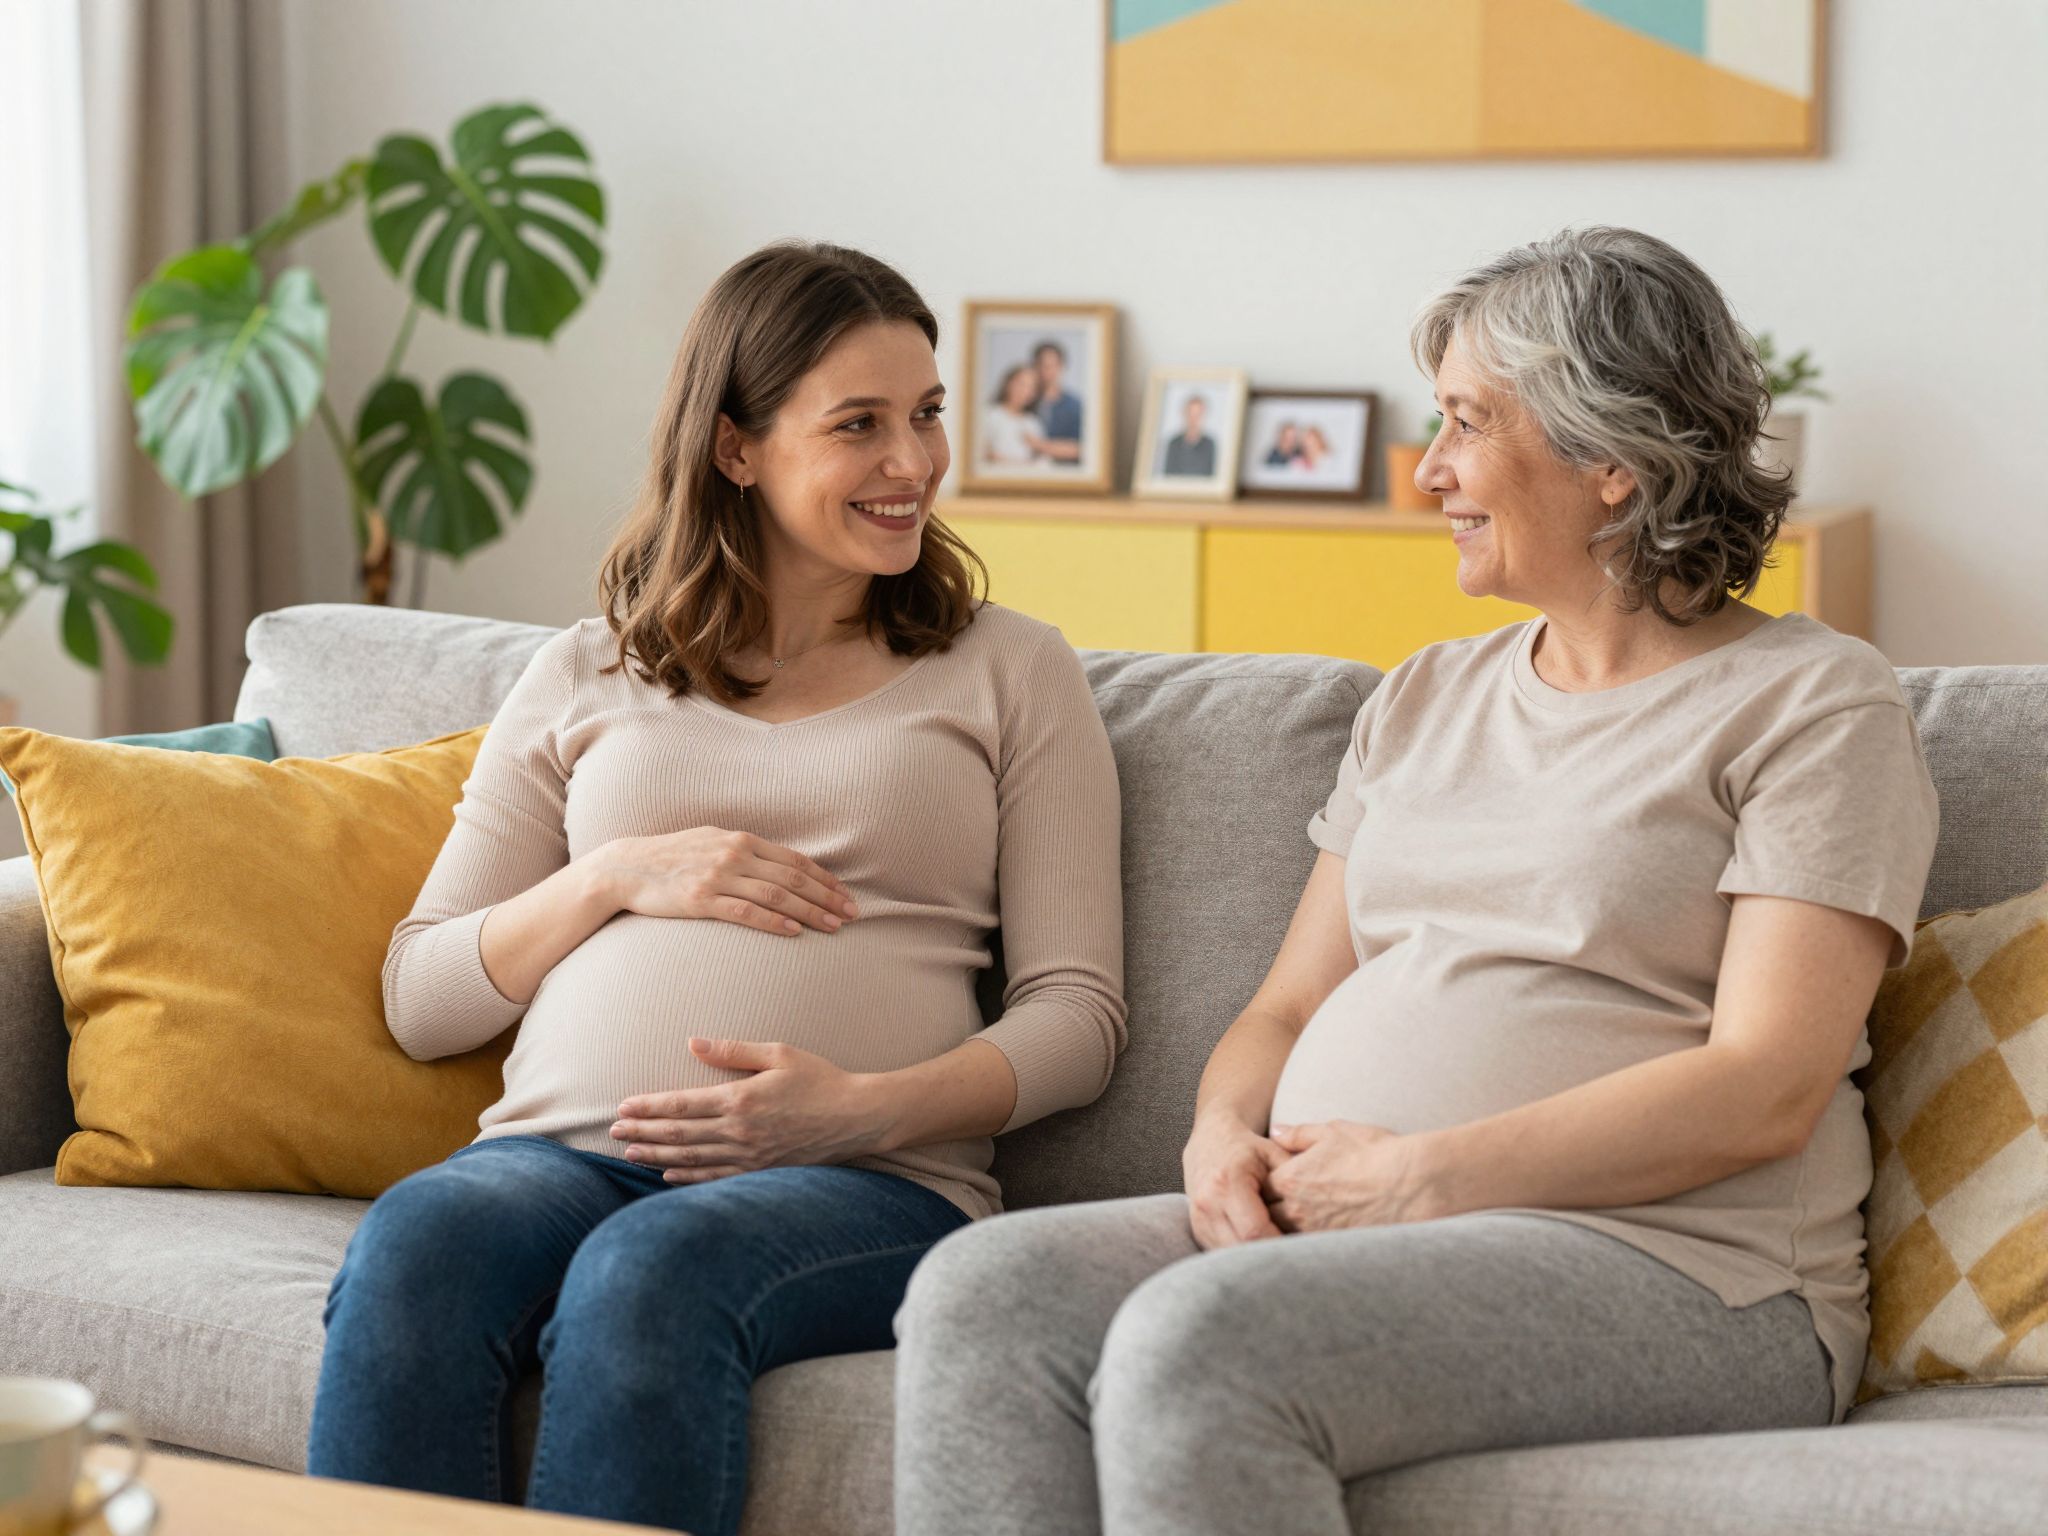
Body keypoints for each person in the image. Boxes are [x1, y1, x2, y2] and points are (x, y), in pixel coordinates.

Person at [894, 225, 1941, 1536]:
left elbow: (1766, 1085)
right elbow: (1281, 1011)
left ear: (1611, 458)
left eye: (1463, 423)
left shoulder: (1814, 703)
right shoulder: (1428, 692)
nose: (1429, 470)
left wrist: (1426, 1177)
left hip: (1690, 1276)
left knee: (1199, 1339)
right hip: (1353, 1223)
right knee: (986, 1293)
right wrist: (1221, 1135)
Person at [305, 241, 1126, 1536]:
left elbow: (1079, 1019)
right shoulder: (588, 671)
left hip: (872, 1182)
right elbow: (422, 994)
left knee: (653, 1274)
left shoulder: (1008, 670)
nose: (913, 463)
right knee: (417, 1246)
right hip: (559, 1156)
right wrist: (617, 875)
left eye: (927, 415)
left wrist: (853, 1113)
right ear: (738, 447)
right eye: (860, 424)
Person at [984, 362, 1050, 465]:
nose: (1025, 391)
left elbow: (1042, 458)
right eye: (1021, 384)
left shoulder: (1032, 422)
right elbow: (982, 452)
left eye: (1031, 388)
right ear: (1008, 384)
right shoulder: (990, 415)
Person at [1032, 339, 1085, 464]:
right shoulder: (1026, 402)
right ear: (1035, 367)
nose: (1048, 371)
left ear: (1062, 367)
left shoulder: (1074, 405)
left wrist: (1039, 446)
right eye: (1043, 366)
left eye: (1053, 366)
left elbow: (1082, 449)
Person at [1162, 393, 1216, 476]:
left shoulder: (1210, 445)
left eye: (1197, 415)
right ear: (1184, 414)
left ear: (1203, 416)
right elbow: (1168, 475)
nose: (1193, 419)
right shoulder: (1173, 444)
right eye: (1190, 414)